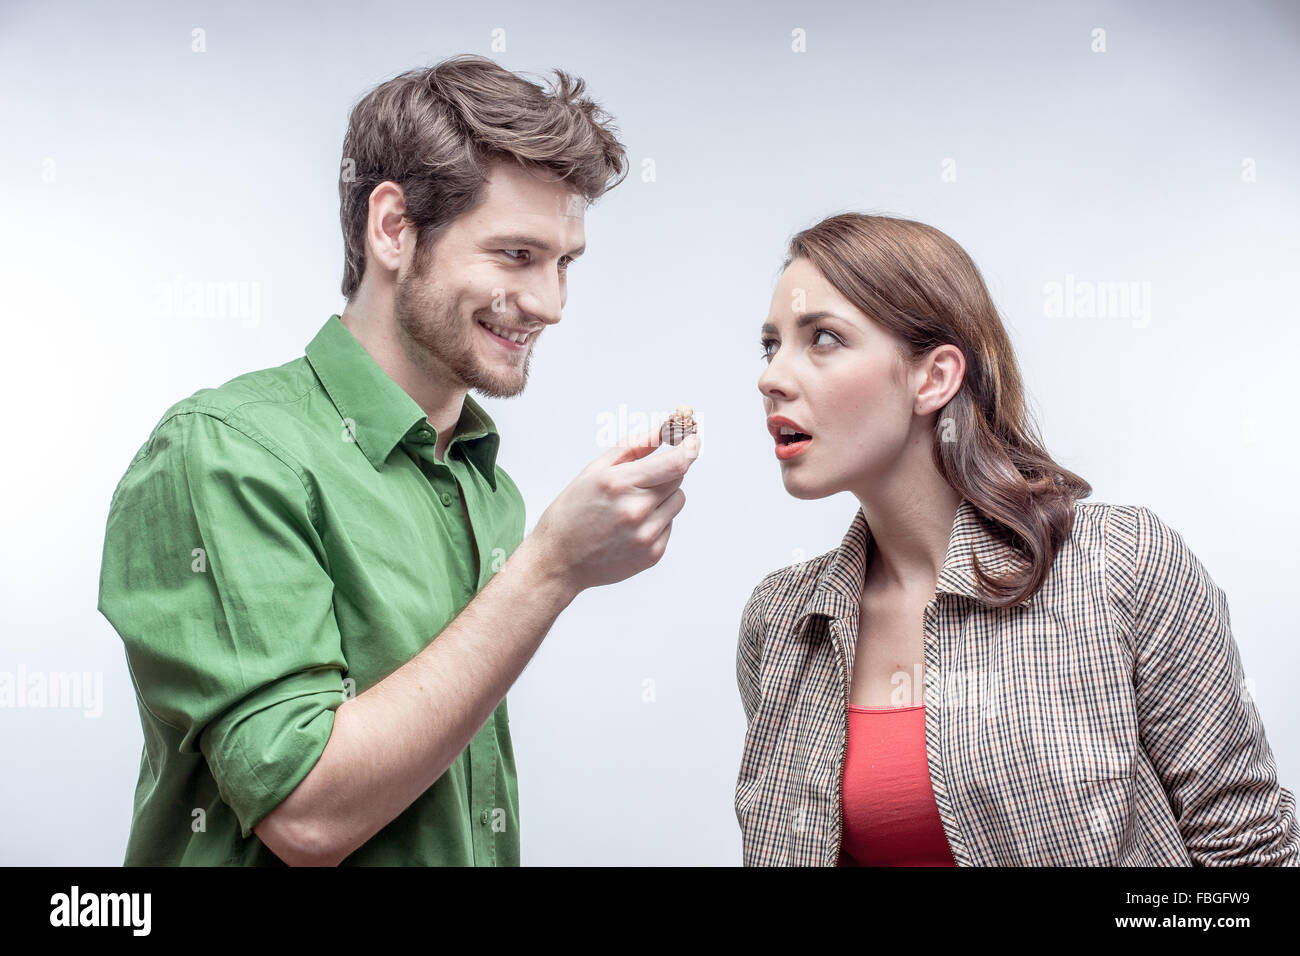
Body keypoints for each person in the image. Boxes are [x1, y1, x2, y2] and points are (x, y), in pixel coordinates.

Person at [97, 54, 700, 866]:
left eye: (564, 264)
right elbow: (306, 816)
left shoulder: (488, 488)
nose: (552, 305)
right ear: (392, 227)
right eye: (516, 255)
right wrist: (551, 568)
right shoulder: (227, 453)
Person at [736, 212, 1298, 866]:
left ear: (934, 377)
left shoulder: (1118, 565)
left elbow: (1248, 852)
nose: (771, 377)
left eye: (823, 338)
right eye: (770, 345)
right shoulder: (780, 624)